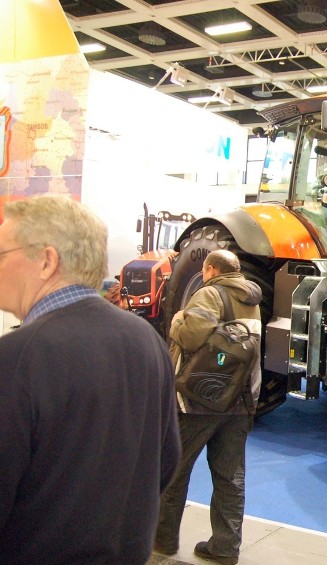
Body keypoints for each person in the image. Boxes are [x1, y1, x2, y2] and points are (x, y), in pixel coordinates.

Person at [0, 195, 180, 564]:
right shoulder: (146, 340)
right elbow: (166, 460)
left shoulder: (17, 357)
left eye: (2, 253)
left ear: (47, 261)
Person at [155, 249, 262, 565]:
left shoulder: (210, 294)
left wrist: (177, 321)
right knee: (230, 477)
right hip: (239, 401)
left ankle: (162, 541)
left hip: (198, 402)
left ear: (211, 270)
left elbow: (190, 336)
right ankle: (226, 547)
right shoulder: (252, 300)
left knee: (175, 471)